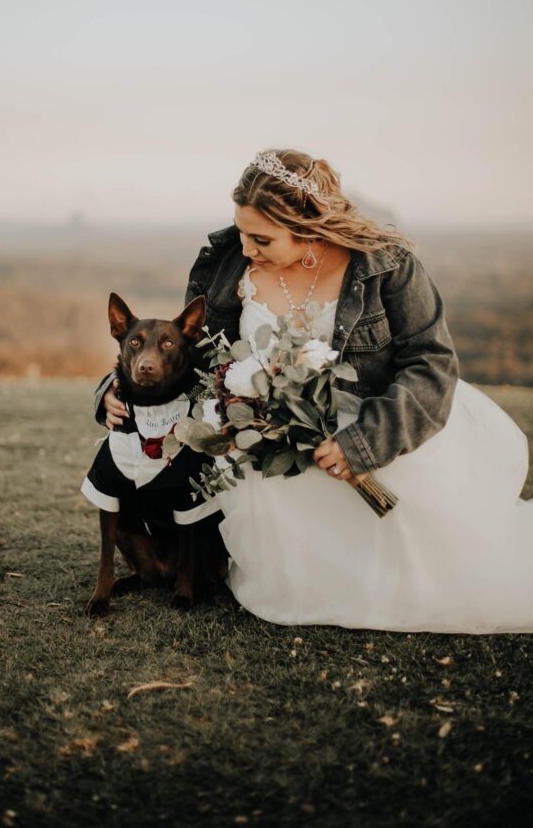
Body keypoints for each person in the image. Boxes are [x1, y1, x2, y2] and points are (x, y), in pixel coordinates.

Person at [95, 149, 532, 632]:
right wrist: (112, 390)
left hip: (384, 431)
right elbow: (184, 354)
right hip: (266, 449)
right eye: (241, 231)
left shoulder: (388, 267)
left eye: (261, 238)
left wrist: (364, 443)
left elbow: (432, 363)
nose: (245, 249)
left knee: (421, 583)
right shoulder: (223, 264)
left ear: (308, 228)